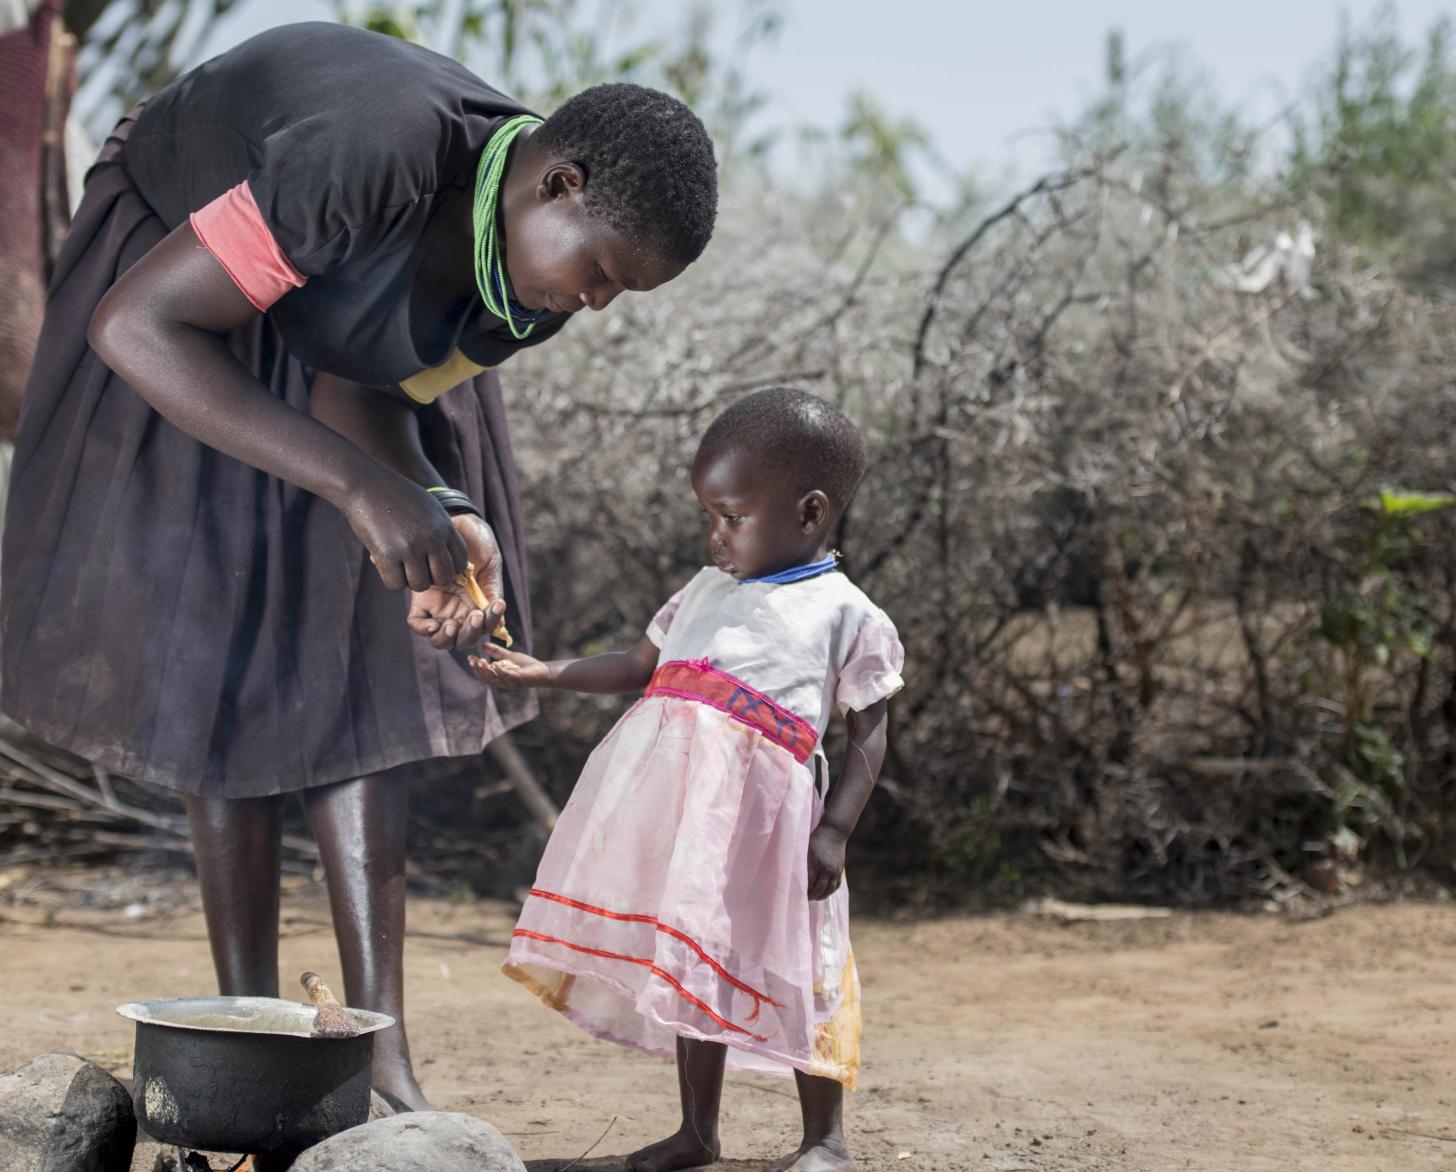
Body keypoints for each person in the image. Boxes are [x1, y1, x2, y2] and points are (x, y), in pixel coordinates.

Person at [0, 21, 717, 1110]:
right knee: (221, 642)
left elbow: (365, 388)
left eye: (625, 292)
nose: (598, 304)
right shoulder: (366, 152)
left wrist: (438, 502)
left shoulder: (531, 274)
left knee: (369, 654)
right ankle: (242, 1043)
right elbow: (139, 326)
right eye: (606, 273)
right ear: (557, 184)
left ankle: (379, 1060)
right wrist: (353, 486)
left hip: (309, 284)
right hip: (182, 271)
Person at [471, 387, 905, 1172]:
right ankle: (697, 1133)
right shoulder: (701, 593)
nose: (715, 535)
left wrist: (835, 830)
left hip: (779, 833)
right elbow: (640, 669)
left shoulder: (848, 614)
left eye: (731, 517)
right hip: (690, 823)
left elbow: (871, 729)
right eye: (710, 515)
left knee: (803, 966)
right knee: (695, 957)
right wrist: (544, 672)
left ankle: (824, 1140)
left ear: (809, 513)